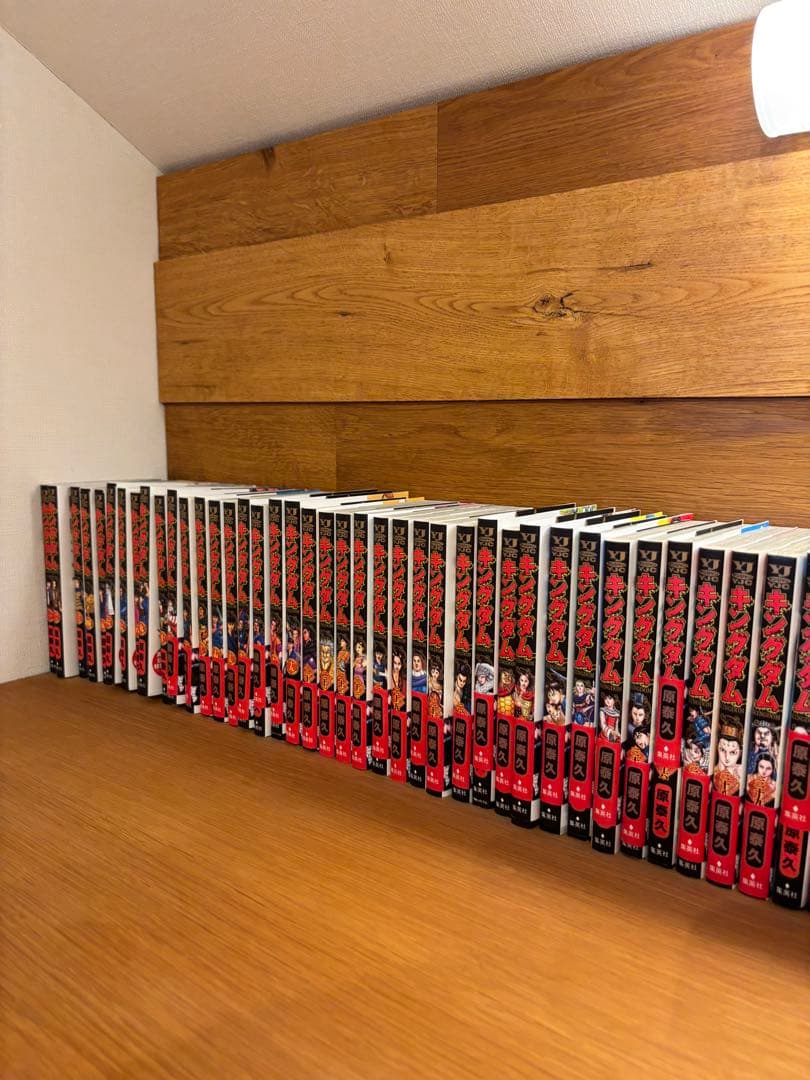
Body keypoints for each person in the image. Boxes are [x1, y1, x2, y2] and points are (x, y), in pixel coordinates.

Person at [713, 724, 742, 795]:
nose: (727, 757)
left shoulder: (741, 775)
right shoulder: (712, 771)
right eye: (722, 750)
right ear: (717, 747)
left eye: (733, 752)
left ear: (740, 753)